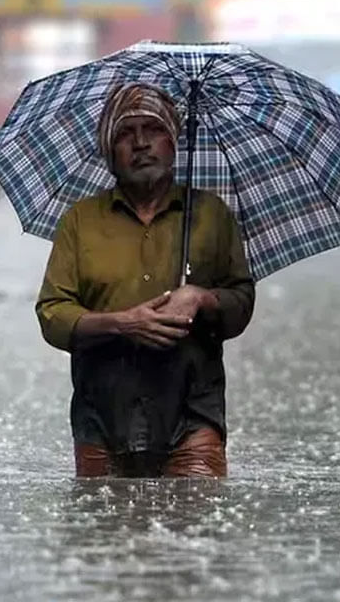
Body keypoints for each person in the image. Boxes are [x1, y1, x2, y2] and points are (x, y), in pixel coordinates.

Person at [36, 83, 255, 478]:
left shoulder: (210, 215)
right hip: (102, 417)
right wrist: (123, 323)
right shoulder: (81, 222)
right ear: (109, 152)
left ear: (173, 142)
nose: (140, 143)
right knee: (102, 530)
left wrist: (201, 298)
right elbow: (53, 315)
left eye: (152, 130)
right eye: (125, 134)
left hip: (192, 415)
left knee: (197, 526)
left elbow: (241, 304)